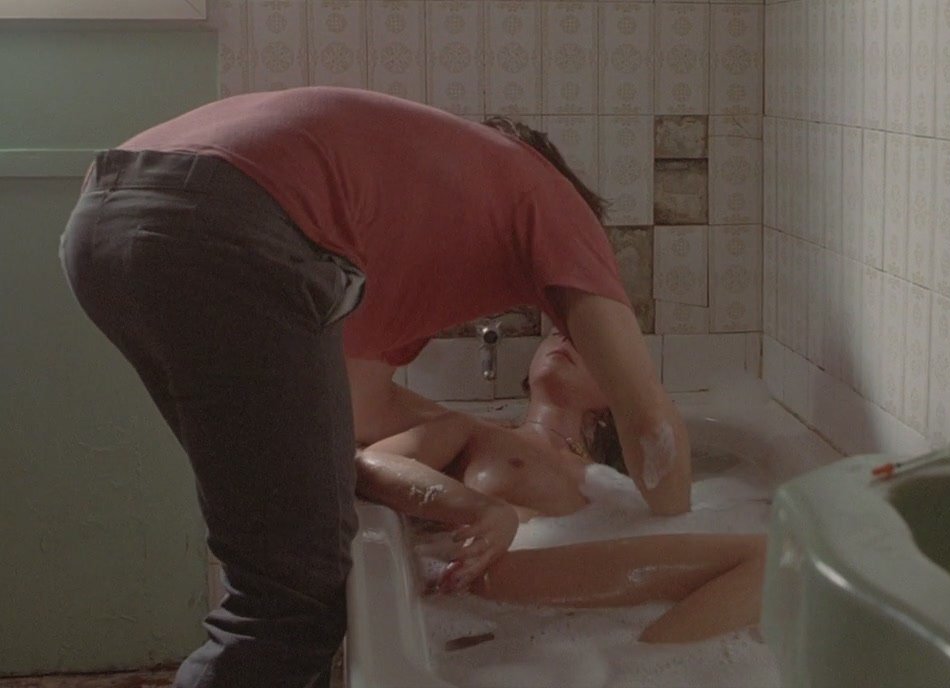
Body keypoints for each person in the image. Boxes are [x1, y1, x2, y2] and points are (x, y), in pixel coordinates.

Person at [59, 86, 691, 688]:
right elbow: (648, 422)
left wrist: (461, 436)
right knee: (289, 596)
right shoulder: (555, 201)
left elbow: (349, 418)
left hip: (105, 222)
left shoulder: (405, 247)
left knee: (283, 565)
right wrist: (688, 524)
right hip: (225, 221)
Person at [356, 331, 767, 644]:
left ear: (615, 393)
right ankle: (649, 663)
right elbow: (366, 466)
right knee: (772, 560)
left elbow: (675, 501)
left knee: (772, 561)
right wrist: (483, 509)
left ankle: (648, 664)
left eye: (588, 339)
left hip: (561, 609)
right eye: (557, 331)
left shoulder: (617, 488)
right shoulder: (475, 432)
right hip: (487, 575)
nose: (565, 338)